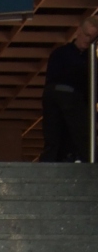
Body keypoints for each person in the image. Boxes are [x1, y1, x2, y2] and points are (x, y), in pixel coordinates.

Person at [41, 16, 98, 162]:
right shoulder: (62, 53)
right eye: (87, 35)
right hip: (68, 101)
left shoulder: (91, 60)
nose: (88, 40)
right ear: (79, 31)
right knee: (60, 137)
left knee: (70, 138)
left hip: (73, 102)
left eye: (92, 38)